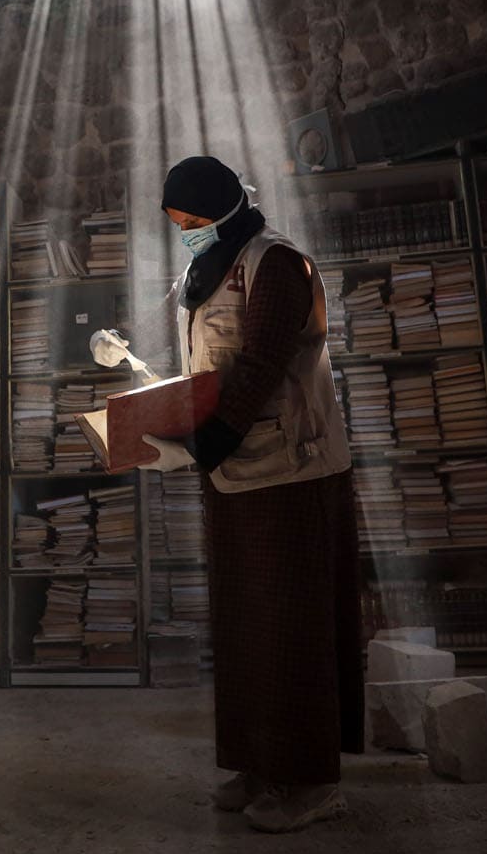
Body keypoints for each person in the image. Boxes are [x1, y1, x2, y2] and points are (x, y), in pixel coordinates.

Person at [140, 155, 361, 834]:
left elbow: (263, 361)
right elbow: (208, 367)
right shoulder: (200, 272)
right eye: (177, 224)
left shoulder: (277, 264)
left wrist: (206, 438)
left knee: (289, 627)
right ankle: (257, 760)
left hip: (290, 470)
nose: (187, 233)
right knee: (243, 626)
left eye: (196, 221)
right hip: (231, 467)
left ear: (228, 210)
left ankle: (311, 780)